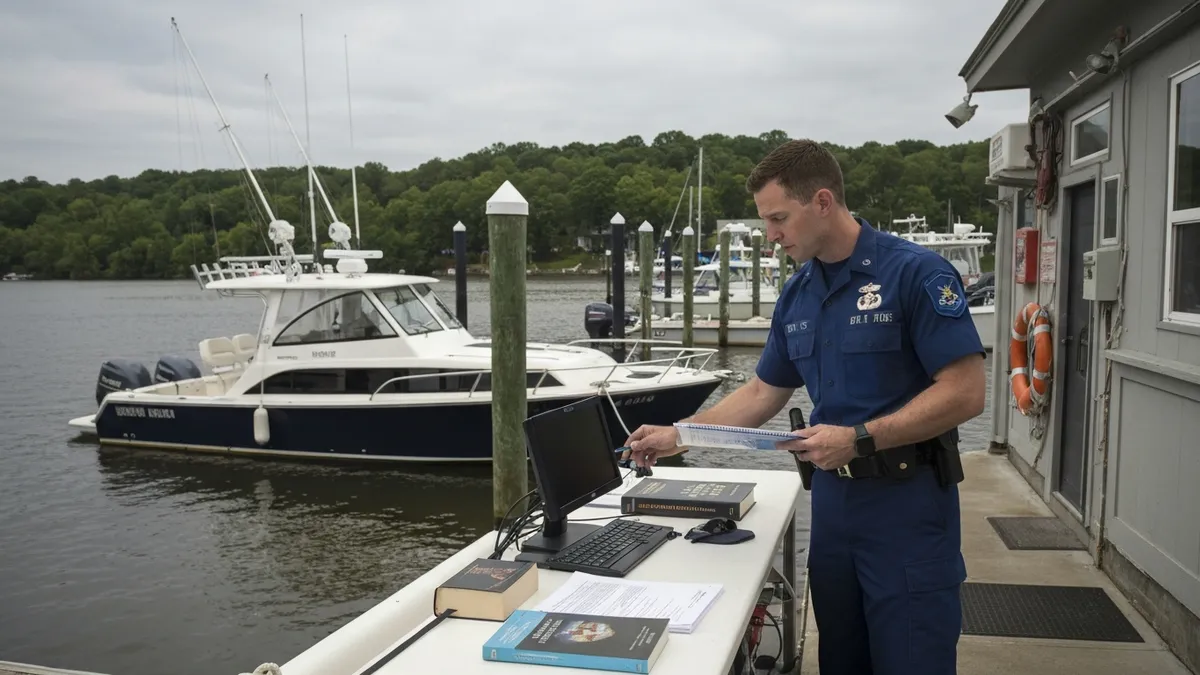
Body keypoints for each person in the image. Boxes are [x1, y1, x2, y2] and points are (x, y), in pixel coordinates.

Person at [624, 139, 986, 675]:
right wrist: (679, 434)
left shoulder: (917, 274)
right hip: (835, 510)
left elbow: (965, 391)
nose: (770, 234)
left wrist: (859, 436)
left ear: (822, 202)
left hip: (908, 508)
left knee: (913, 659)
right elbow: (762, 393)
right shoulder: (797, 294)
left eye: (778, 218)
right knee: (841, 660)